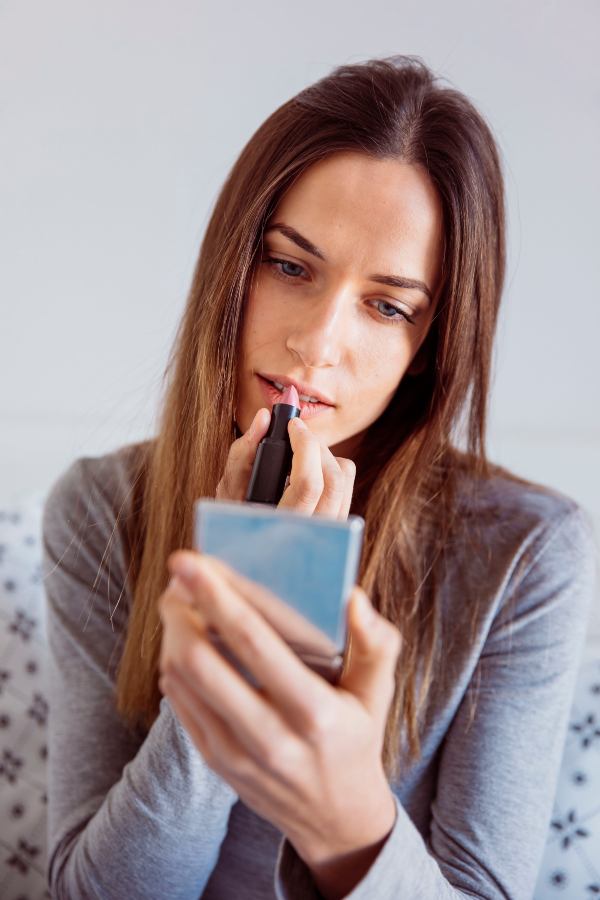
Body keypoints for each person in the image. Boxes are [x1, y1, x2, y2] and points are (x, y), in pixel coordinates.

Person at [42, 54, 596, 900]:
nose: (317, 341)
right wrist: (236, 635)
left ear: (428, 348)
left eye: (387, 305)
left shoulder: (525, 553)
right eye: (290, 266)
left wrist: (347, 820)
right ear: (232, 265)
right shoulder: (100, 509)